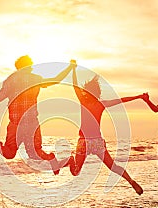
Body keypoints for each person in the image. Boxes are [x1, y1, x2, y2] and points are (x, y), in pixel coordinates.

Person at [0, 55, 75, 174]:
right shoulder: (35, 78)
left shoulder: (10, 80)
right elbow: (56, 79)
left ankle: (1, 148)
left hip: (15, 124)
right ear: (28, 66)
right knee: (36, 154)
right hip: (32, 124)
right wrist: (70, 67)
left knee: (10, 153)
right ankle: (52, 159)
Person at [58, 61, 144, 195]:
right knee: (112, 166)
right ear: (97, 92)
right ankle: (131, 181)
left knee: (75, 172)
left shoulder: (83, 101)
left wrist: (73, 69)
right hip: (97, 142)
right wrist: (138, 97)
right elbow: (121, 100)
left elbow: (74, 86)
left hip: (84, 142)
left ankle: (70, 159)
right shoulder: (101, 104)